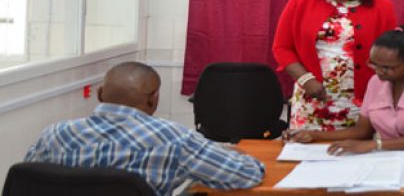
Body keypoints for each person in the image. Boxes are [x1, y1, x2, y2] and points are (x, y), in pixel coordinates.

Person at [24, 62, 264, 196]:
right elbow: (246, 175)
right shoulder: (173, 139)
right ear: (153, 99)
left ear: (99, 95)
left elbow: (28, 182)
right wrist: (238, 155)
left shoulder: (52, 135)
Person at [284, 26, 404, 154]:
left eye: (387, 67)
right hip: (390, 156)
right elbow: (362, 130)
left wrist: (376, 145)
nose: (379, 72)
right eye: (375, 65)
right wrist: (313, 134)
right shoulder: (376, 82)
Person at [273, 0, 397, 131]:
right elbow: (282, 48)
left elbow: (391, 53)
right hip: (312, 93)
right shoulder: (301, 0)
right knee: (309, 151)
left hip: (362, 96)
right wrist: (306, 80)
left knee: (356, 151)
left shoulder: (383, 7)